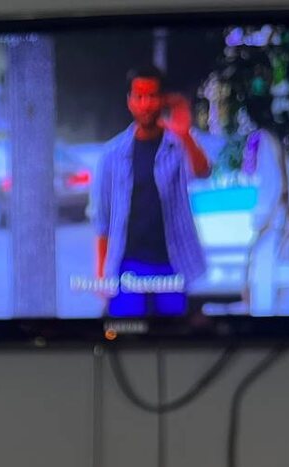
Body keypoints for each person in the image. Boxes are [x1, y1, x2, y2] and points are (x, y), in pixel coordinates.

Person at [93, 66, 210, 316]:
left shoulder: (177, 145)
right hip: (127, 265)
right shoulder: (112, 154)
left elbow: (202, 171)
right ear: (129, 101)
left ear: (163, 99)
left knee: (172, 333)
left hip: (171, 264)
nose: (145, 104)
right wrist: (102, 273)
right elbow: (102, 219)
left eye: (152, 96)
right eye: (139, 96)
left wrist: (184, 132)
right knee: (126, 332)